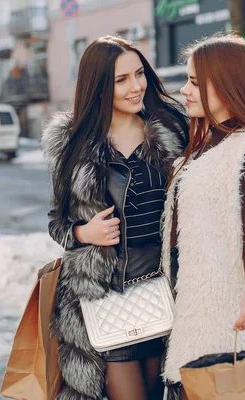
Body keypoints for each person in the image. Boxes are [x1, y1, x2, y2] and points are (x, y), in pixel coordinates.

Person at [41, 35, 188, 400]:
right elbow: (56, 223)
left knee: (161, 393)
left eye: (139, 74)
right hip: (108, 295)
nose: (136, 86)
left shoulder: (173, 131)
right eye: (121, 80)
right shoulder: (73, 145)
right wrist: (83, 232)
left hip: (167, 289)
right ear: (99, 86)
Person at [160, 33, 245, 399]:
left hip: (231, 331)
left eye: (193, 81)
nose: (184, 90)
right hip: (194, 324)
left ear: (226, 84)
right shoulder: (202, 146)